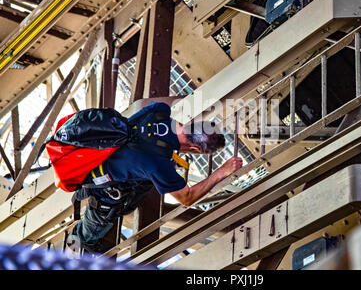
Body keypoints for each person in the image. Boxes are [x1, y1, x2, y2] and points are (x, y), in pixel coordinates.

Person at [66, 102, 242, 254]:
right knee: (87, 233)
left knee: (145, 180)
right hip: (102, 188)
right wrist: (221, 172)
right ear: (194, 149)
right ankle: (68, 257)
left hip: (92, 158)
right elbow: (187, 198)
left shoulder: (159, 111)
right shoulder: (159, 163)